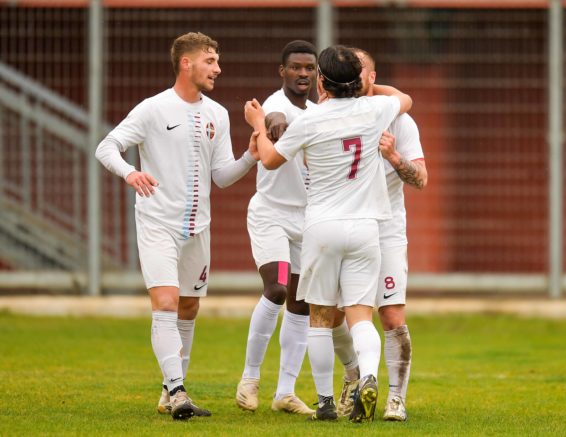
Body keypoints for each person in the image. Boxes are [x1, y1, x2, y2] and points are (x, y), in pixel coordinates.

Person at [95, 32, 259, 420]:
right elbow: (106, 147)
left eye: (217, 61)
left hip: (199, 228)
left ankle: (169, 390)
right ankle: (179, 391)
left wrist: (251, 157)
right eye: (210, 61)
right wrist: (131, 172)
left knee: (188, 306)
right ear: (186, 63)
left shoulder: (218, 114)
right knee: (166, 302)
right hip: (157, 222)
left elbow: (222, 176)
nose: (218, 68)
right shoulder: (153, 109)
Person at [244, 45, 412, 423]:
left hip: (322, 227)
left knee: (320, 317)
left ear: (322, 81)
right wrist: (368, 86)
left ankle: (325, 403)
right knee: (360, 315)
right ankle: (368, 377)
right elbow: (405, 98)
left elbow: (269, 160)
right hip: (366, 227)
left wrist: (257, 124)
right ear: (358, 80)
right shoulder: (375, 109)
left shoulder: (311, 119)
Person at [331, 48, 428, 422]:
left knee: (391, 314)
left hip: (386, 230)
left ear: (372, 77)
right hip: (344, 227)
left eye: (360, 71)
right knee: (334, 315)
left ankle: (396, 399)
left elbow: (421, 179)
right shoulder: (334, 115)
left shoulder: (400, 121)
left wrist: (395, 158)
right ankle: (353, 376)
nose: (353, 78)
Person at [235, 40, 317, 416]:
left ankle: (285, 391)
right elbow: (274, 120)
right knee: (278, 288)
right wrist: (271, 123)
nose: (303, 73)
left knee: (301, 303)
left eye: (309, 68)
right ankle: (249, 379)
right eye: (295, 67)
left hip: (307, 218)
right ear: (282, 71)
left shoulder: (317, 113)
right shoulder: (274, 105)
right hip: (270, 213)